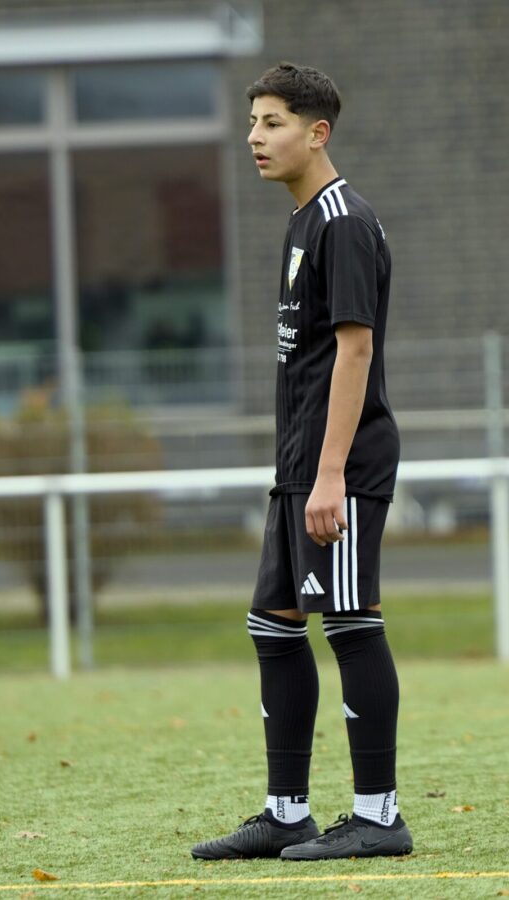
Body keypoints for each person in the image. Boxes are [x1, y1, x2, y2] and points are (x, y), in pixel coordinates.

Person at [191, 62, 411, 862]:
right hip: (299, 466)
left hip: (338, 467)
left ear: (317, 133)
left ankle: (379, 816)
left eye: (273, 121)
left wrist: (329, 475)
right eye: (252, 121)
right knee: (273, 626)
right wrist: (298, 469)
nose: (255, 136)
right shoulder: (300, 222)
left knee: (351, 621)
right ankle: (286, 813)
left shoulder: (343, 222)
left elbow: (355, 352)